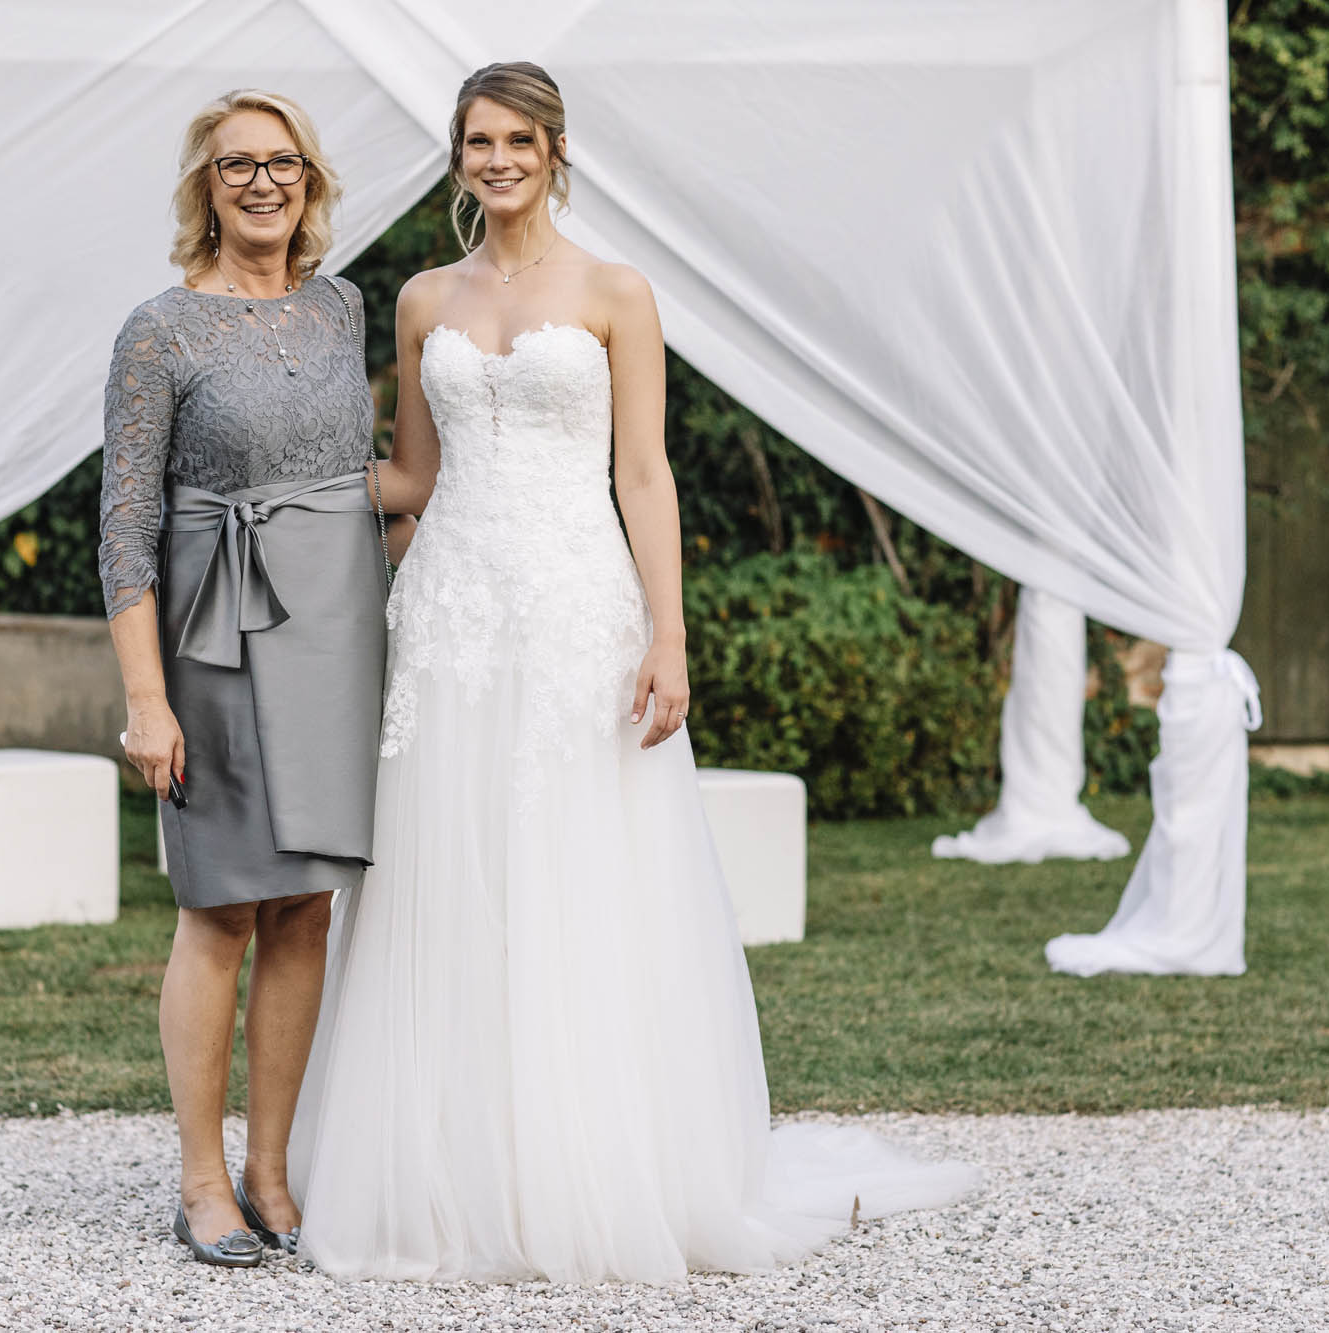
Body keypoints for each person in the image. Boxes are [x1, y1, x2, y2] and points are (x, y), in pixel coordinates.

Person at [287, 62, 977, 1282]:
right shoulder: (418, 297)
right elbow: (410, 478)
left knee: (574, 874)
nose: (495, 160)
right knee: (443, 879)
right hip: (448, 614)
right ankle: (446, 1180)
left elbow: (642, 474)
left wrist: (668, 633)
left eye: (516, 140)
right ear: (457, 159)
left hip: (572, 611)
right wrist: (277, 501)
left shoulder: (615, 290)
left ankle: (590, 1176)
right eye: (475, 142)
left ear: (555, 151)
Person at [100, 89, 387, 1268]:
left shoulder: (342, 308)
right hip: (213, 639)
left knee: (306, 906)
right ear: (204, 188)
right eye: (234, 168)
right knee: (219, 907)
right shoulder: (158, 329)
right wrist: (145, 699)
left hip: (334, 631)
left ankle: (271, 1169)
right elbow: (124, 522)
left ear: (310, 181)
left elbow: (359, 474)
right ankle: (201, 1179)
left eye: (281, 164)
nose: (260, 183)